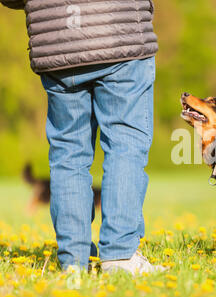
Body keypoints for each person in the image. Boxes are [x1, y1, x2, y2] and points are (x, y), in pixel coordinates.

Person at [1, 0, 164, 275]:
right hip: (119, 37)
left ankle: (74, 262)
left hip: (56, 40)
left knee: (68, 154)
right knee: (125, 144)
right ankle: (120, 255)